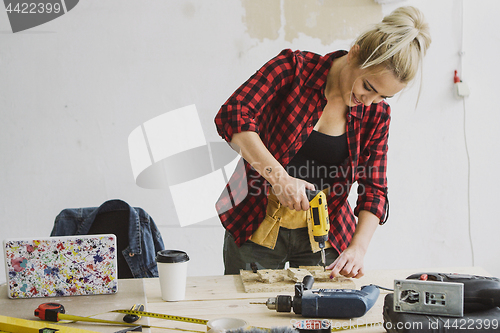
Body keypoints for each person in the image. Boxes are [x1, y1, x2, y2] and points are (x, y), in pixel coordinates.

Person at [214, 6, 431, 278]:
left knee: (321, 316)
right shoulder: (293, 70)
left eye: (382, 97)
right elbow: (233, 114)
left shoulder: (376, 114)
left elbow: (374, 189)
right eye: (368, 87)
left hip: (324, 237)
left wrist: (358, 249)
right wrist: (279, 178)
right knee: (249, 313)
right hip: (256, 221)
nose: (369, 101)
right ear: (354, 53)